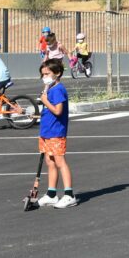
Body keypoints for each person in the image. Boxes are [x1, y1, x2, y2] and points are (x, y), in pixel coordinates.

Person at [37, 59, 76, 208]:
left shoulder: (58, 89)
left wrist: (45, 100)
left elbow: (58, 111)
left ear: (57, 73)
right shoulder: (49, 89)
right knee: (50, 161)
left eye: (47, 74)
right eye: (43, 74)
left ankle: (69, 195)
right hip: (46, 131)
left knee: (60, 162)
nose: (44, 77)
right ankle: (51, 194)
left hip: (56, 132)